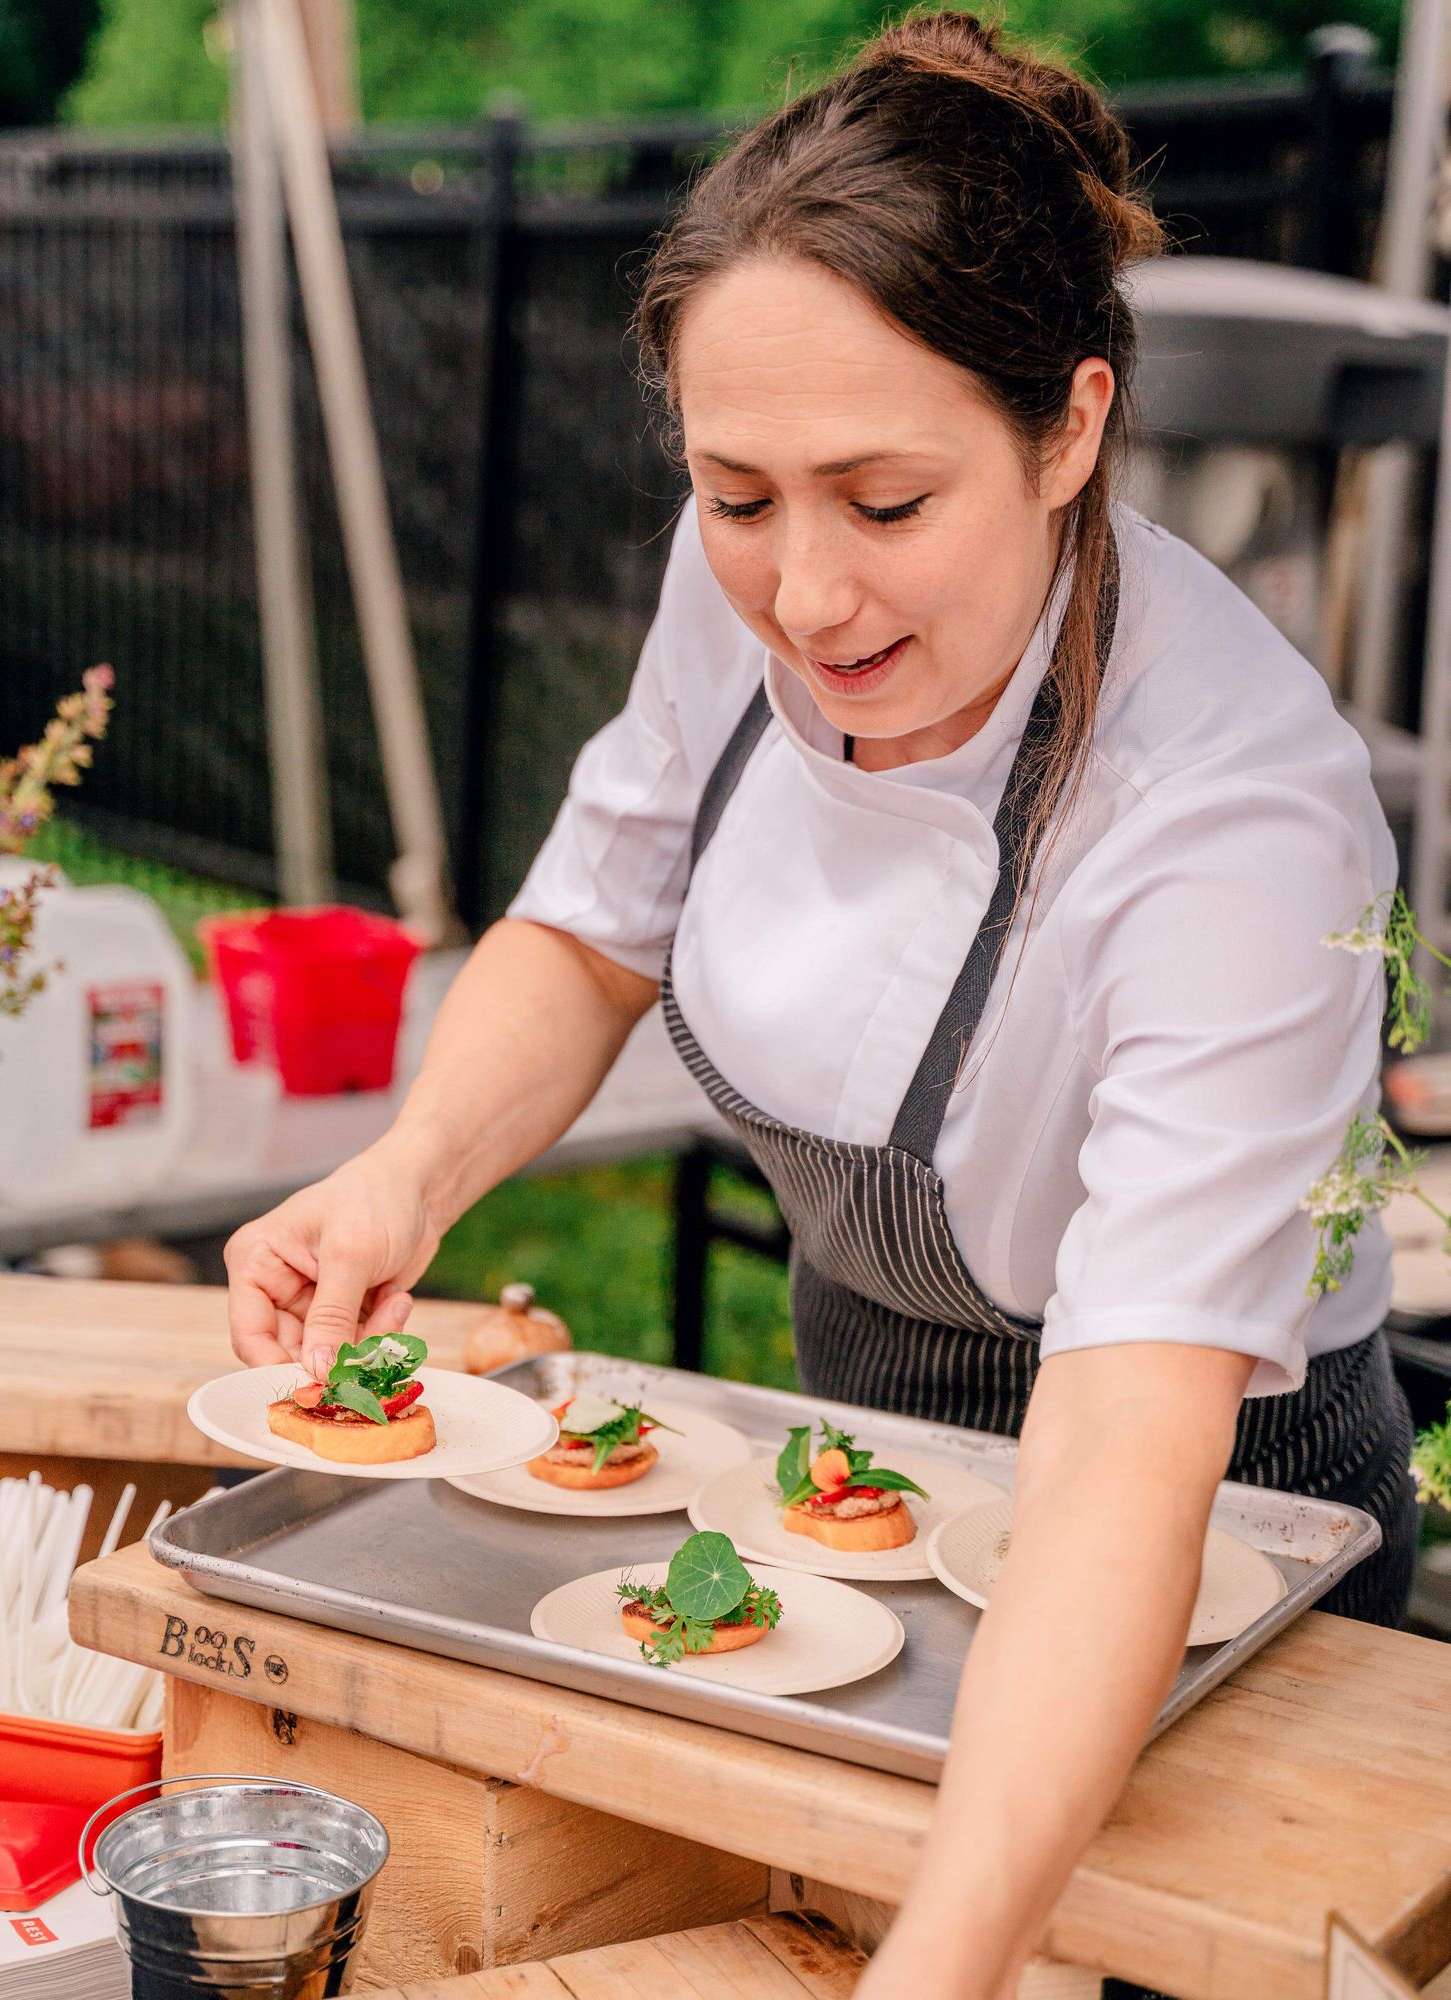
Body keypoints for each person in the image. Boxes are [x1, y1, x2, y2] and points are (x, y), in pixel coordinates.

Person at [224, 15, 1417, 1996]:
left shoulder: (1233, 829)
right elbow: (596, 920)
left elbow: (1128, 1459)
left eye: (884, 502)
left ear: (1071, 428)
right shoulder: (762, 573)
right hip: (854, 1455)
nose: (806, 596)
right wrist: (407, 1175)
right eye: (738, 492)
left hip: (1207, 1550)